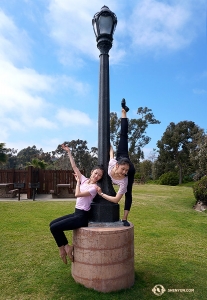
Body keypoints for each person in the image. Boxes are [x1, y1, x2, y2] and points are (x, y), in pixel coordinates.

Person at [50, 144, 104, 264]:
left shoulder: (94, 188)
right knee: (52, 224)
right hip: (76, 213)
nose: (97, 176)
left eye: (99, 175)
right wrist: (69, 152)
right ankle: (66, 247)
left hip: (82, 217)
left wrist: (78, 182)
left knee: (55, 228)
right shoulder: (85, 179)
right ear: (91, 172)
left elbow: (77, 194)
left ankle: (62, 249)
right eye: (96, 173)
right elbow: (74, 166)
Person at [96, 99, 136, 226]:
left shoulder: (125, 179)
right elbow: (111, 154)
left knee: (128, 192)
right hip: (121, 156)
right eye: (123, 170)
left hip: (128, 163)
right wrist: (107, 145)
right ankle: (124, 111)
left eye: (125, 171)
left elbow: (118, 198)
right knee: (123, 136)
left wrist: (127, 171)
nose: (124, 173)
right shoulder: (112, 163)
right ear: (117, 166)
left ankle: (125, 217)